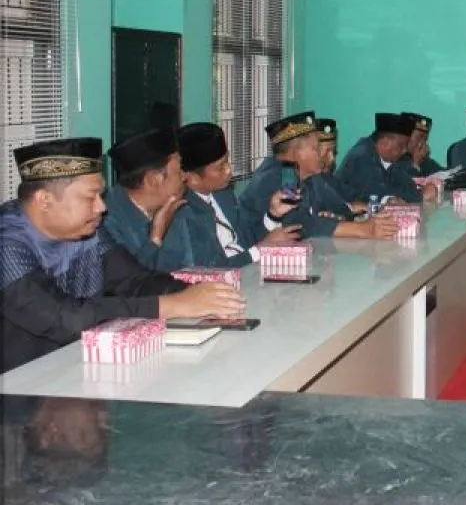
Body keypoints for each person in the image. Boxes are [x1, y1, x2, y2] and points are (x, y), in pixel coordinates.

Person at [1, 137, 244, 373]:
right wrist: (172, 305)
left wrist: (200, 294)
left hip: (79, 368)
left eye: (100, 196)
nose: (101, 207)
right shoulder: (7, 244)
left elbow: (134, 281)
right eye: (90, 197)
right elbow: (66, 318)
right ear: (44, 200)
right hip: (21, 384)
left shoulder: (87, 230)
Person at [241, 111, 399, 239]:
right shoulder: (281, 176)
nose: (322, 156)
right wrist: (364, 230)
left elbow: (339, 207)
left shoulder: (305, 176)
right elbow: (298, 225)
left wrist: (336, 216)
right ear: (294, 153)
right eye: (316, 149)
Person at [177, 122, 301, 267]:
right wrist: (261, 250)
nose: (229, 170)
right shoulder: (183, 213)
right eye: (220, 167)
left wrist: (273, 215)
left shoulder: (223, 195)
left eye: (227, 161)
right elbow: (211, 269)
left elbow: (247, 239)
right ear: (192, 178)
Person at [102, 127, 193, 272]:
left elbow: (189, 269)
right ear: (153, 180)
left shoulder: (175, 206)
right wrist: (155, 238)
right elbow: (127, 280)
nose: (185, 176)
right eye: (179, 170)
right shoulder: (106, 223)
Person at [335, 113, 437, 204]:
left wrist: (418, 193)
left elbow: (404, 183)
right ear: (385, 142)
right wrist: (419, 196)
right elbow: (375, 191)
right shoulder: (361, 156)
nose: (405, 150)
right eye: (401, 145)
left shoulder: (389, 158)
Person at [400, 113, 444, 178]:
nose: (422, 143)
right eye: (419, 138)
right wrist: (415, 164)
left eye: (425, 139)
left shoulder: (425, 162)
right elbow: (407, 183)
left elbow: (445, 175)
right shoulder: (393, 161)